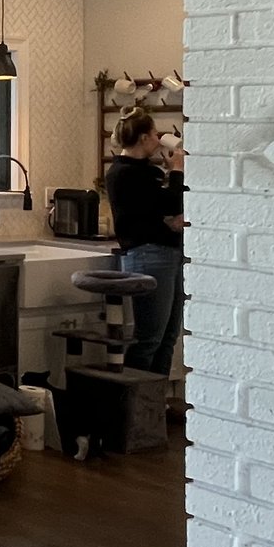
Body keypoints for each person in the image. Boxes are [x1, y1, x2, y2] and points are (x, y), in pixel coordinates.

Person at [103, 109, 184, 379]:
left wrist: (168, 218)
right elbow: (170, 204)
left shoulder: (145, 172)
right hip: (149, 255)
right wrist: (177, 171)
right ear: (142, 138)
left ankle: (153, 407)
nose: (157, 139)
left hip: (167, 253)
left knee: (168, 336)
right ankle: (132, 406)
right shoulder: (125, 173)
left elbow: (159, 208)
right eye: (153, 134)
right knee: (149, 338)